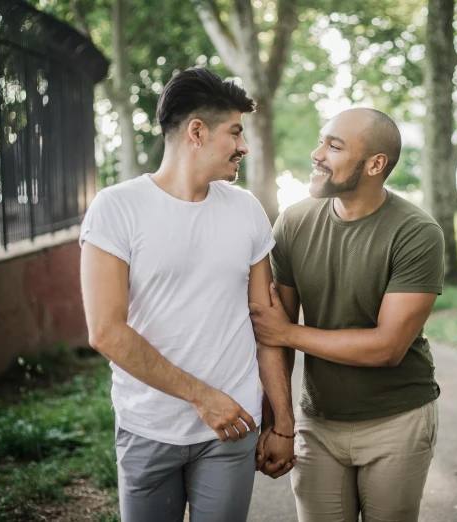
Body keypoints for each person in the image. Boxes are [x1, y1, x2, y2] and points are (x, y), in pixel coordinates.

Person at [79, 67, 294, 522]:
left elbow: (265, 323)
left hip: (233, 428)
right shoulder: (116, 208)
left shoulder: (246, 210)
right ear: (197, 131)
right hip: (148, 426)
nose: (244, 147)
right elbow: (106, 332)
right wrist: (202, 397)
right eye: (235, 132)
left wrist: (282, 422)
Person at [249, 108, 444, 522]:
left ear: (376, 164)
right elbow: (271, 335)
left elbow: (387, 348)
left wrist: (290, 333)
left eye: (334, 146)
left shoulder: (417, 233)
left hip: (398, 421)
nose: (317, 153)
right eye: (322, 140)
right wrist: (280, 424)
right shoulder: (294, 222)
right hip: (317, 424)